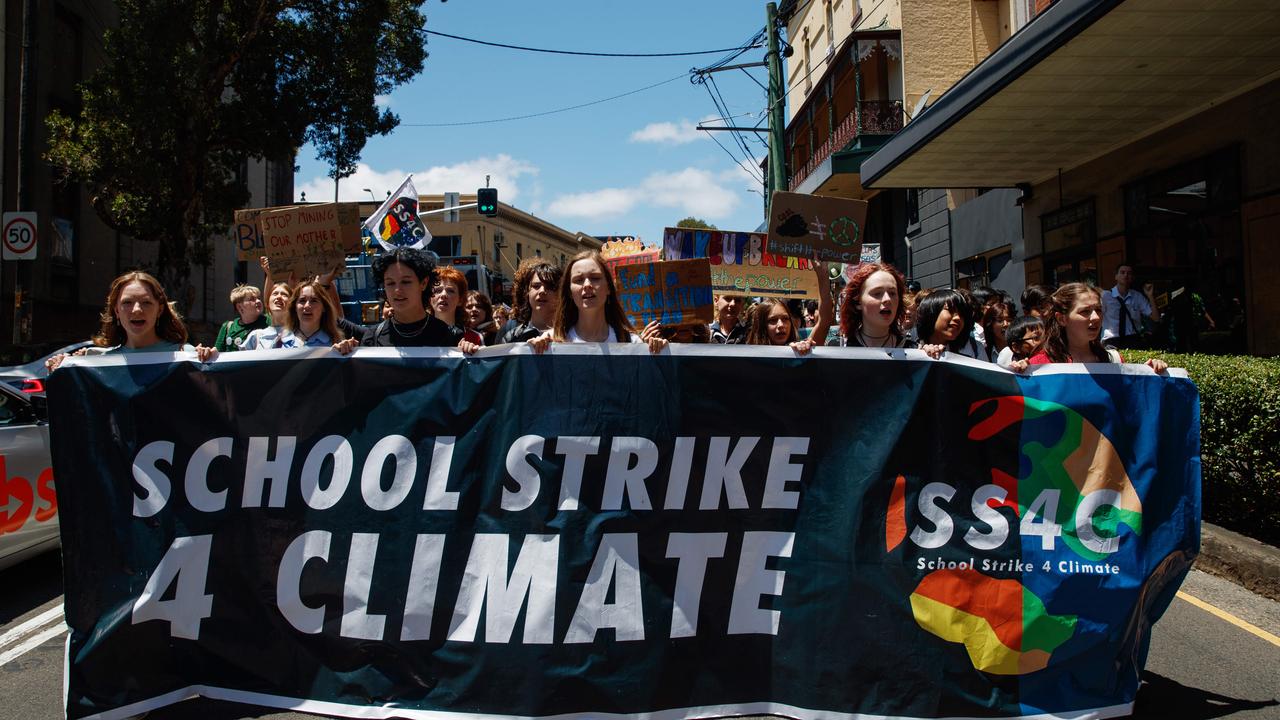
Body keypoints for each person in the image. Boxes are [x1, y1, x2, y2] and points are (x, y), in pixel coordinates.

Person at [46, 271, 214, 371]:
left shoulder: (186, 355)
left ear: (160, 310)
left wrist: (211, 363)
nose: (136, 310)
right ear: (116, 311)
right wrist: (62, 368)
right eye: (127, 303)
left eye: (146, 302)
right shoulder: (99, 364)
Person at [333, 247, 478, 353]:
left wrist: (471, 354)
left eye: (406, 282)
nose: (397, 290)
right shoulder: (372, 338)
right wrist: (344, 354)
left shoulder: (449, 336)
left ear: (423, 283)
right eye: (390, 283)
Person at [528, 251, 666, 353]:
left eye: (595, 278)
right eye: (578, 280)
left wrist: (659, 351)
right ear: (569, 292)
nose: (587, 285)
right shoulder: (552, 342)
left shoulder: (632, 343)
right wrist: (537, 350)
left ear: (608, 288)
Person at [1028, 283, 1167, 372]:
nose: (1096, 317)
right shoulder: (1039, 367)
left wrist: (1149, 373)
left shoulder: (1114, 361)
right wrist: (1021, 373)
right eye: (1085, 311)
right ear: (1062, 319)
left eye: (1099, 310)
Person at [829, 262, 917, 349]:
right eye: (877, 293)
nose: (887, 299)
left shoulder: (913, 351)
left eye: (892, 293)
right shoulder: (840, 349)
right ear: (858, 302)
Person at [498, 258, 562, 344]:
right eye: (536, 286)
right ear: (527, 292)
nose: (542, 291)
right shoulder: (511, 335)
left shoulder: (572, 334)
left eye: (550, 287)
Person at [915, 289, 988, 360]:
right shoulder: (909, 348)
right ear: (931, 313)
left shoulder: (976, 349)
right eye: (950, 310)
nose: (958, 318)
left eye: (962, 314)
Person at [1102, 263, 1160, 348]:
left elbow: (1156, 318)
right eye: (1122, 272)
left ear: (1132, 278)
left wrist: (1150, 295)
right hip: (1111, 341)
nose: (1126, 275)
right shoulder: (1105, 296)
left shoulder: (1137, 296)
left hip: (1133, 340)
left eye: (1129, 273)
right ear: (1116, 277)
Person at [279, 280, 343, 348]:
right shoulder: (280, 342)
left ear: (324, 307)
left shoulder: (336, 345)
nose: (307, 306)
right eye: (302, 300)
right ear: (294, 307)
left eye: (314, 301)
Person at [431, 266, 484, 345]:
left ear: (460, 300)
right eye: (438, 290)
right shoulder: (416, 334)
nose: (443, 295)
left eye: (450, 291)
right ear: (429, 298)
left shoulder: (474, 338)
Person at [214, 284, 267, 352]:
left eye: (259, 298)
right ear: (239, 307)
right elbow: (216, 353)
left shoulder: (268, 322)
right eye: (252, 299)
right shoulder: (228, 327)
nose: (258, 301)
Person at [243, 280, 293, 350]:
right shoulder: (255, 337)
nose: (279, 297)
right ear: (268, 303)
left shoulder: (300, 335)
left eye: (284, 294)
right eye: (275, 294)